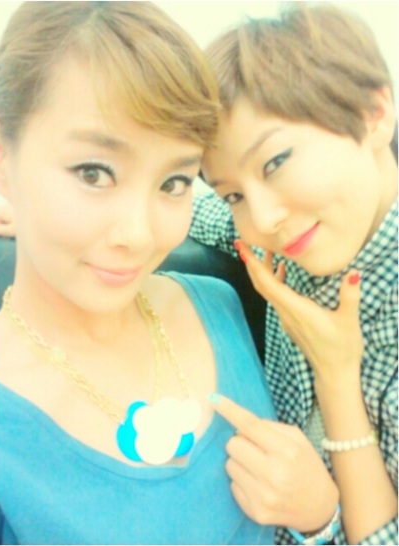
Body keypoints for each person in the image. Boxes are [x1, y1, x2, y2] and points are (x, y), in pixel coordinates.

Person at [0, 2, 284, 544]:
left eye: (174, 182)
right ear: (0, 155)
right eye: (94, 173)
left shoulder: (218, 304)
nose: (139, 234)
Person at [190, 2, 398, 545]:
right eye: (235, 194)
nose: (263, 220)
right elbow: (208, 216)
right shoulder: (295, 243)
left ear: (374, 113)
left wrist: (336, 377)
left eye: (276, 162)